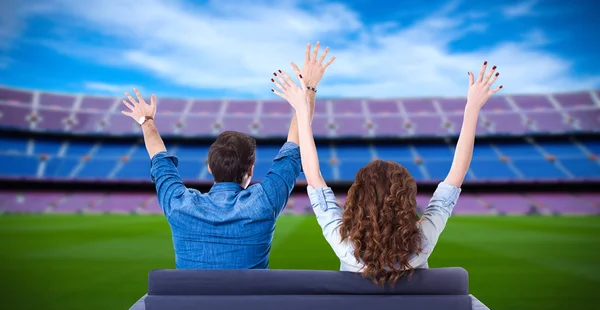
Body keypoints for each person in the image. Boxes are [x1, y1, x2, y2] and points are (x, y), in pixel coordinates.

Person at [272, 61, 502, 284]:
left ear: (357, 197)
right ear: (406, 199)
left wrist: (303, 107)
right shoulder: (422, 241)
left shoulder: (344, 244)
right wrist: (472, 108)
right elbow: (457, 174)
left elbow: (312, 175)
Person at [120, 42, 335, 269]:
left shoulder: (178, 205)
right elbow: (296, 142)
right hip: (249, 306)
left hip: (191, 305)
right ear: (251, 169)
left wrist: (147, 121)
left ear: (210, 168)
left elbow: (159, 159)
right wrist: (308, 88)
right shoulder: (265, 201)